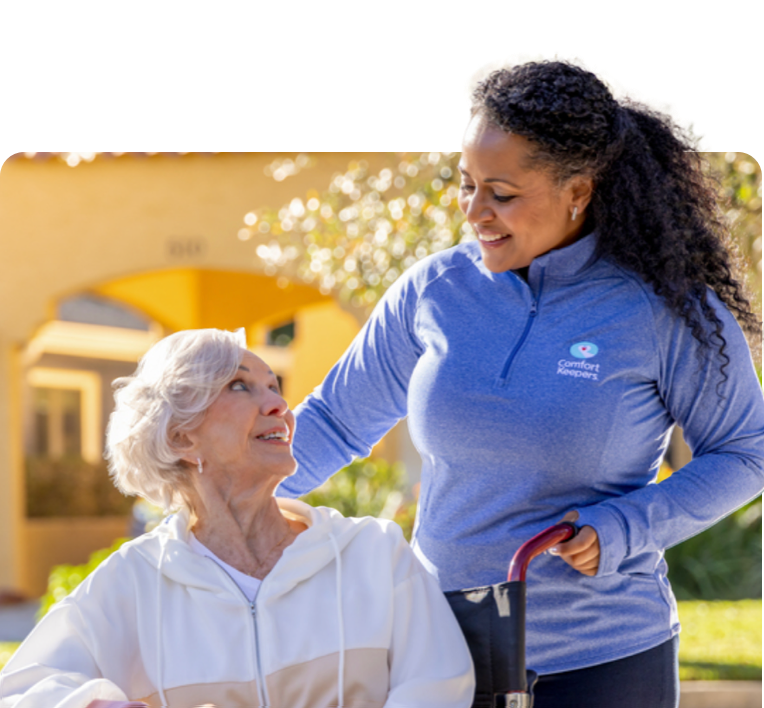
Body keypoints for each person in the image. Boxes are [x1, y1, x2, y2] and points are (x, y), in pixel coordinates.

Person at [276, 58, 764, 708]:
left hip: (606, 661)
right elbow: (336, 421)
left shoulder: (666, 308)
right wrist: (226, 493)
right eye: (465, 185)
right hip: (441, 652)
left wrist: (626, 527)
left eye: (501, 194)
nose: (475, 212)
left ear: (579, 192)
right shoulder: (435, 291)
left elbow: (746, 450)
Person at [0, 329, 475, 708]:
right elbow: (21, 692)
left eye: (274, 387)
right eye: (240, 386)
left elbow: (439, 686)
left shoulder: (374, 553)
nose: (279, 406)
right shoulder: (134, 582)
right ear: (182, 438)